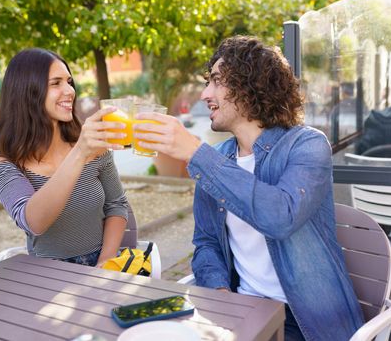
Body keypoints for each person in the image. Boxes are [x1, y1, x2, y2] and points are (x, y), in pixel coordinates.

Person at [133, 36, 363, 340]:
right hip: (241, 310)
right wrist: (219, 292)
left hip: (304, 320)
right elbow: (206, 243)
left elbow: (280, 216)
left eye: (216, 80)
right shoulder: (218, 159)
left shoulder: (307, 145)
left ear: (250, 85)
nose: (205, 94)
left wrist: (195, 152)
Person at [0, 48, 129, 268]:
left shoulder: (93, 147)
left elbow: (116, 205)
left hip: (103, 262)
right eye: (56, 83)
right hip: (48, 272)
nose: (69, 91)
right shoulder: (4, 161)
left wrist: (105, 261)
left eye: (69, 82)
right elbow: (34, 222)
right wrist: (79, 153)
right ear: (26, 91)